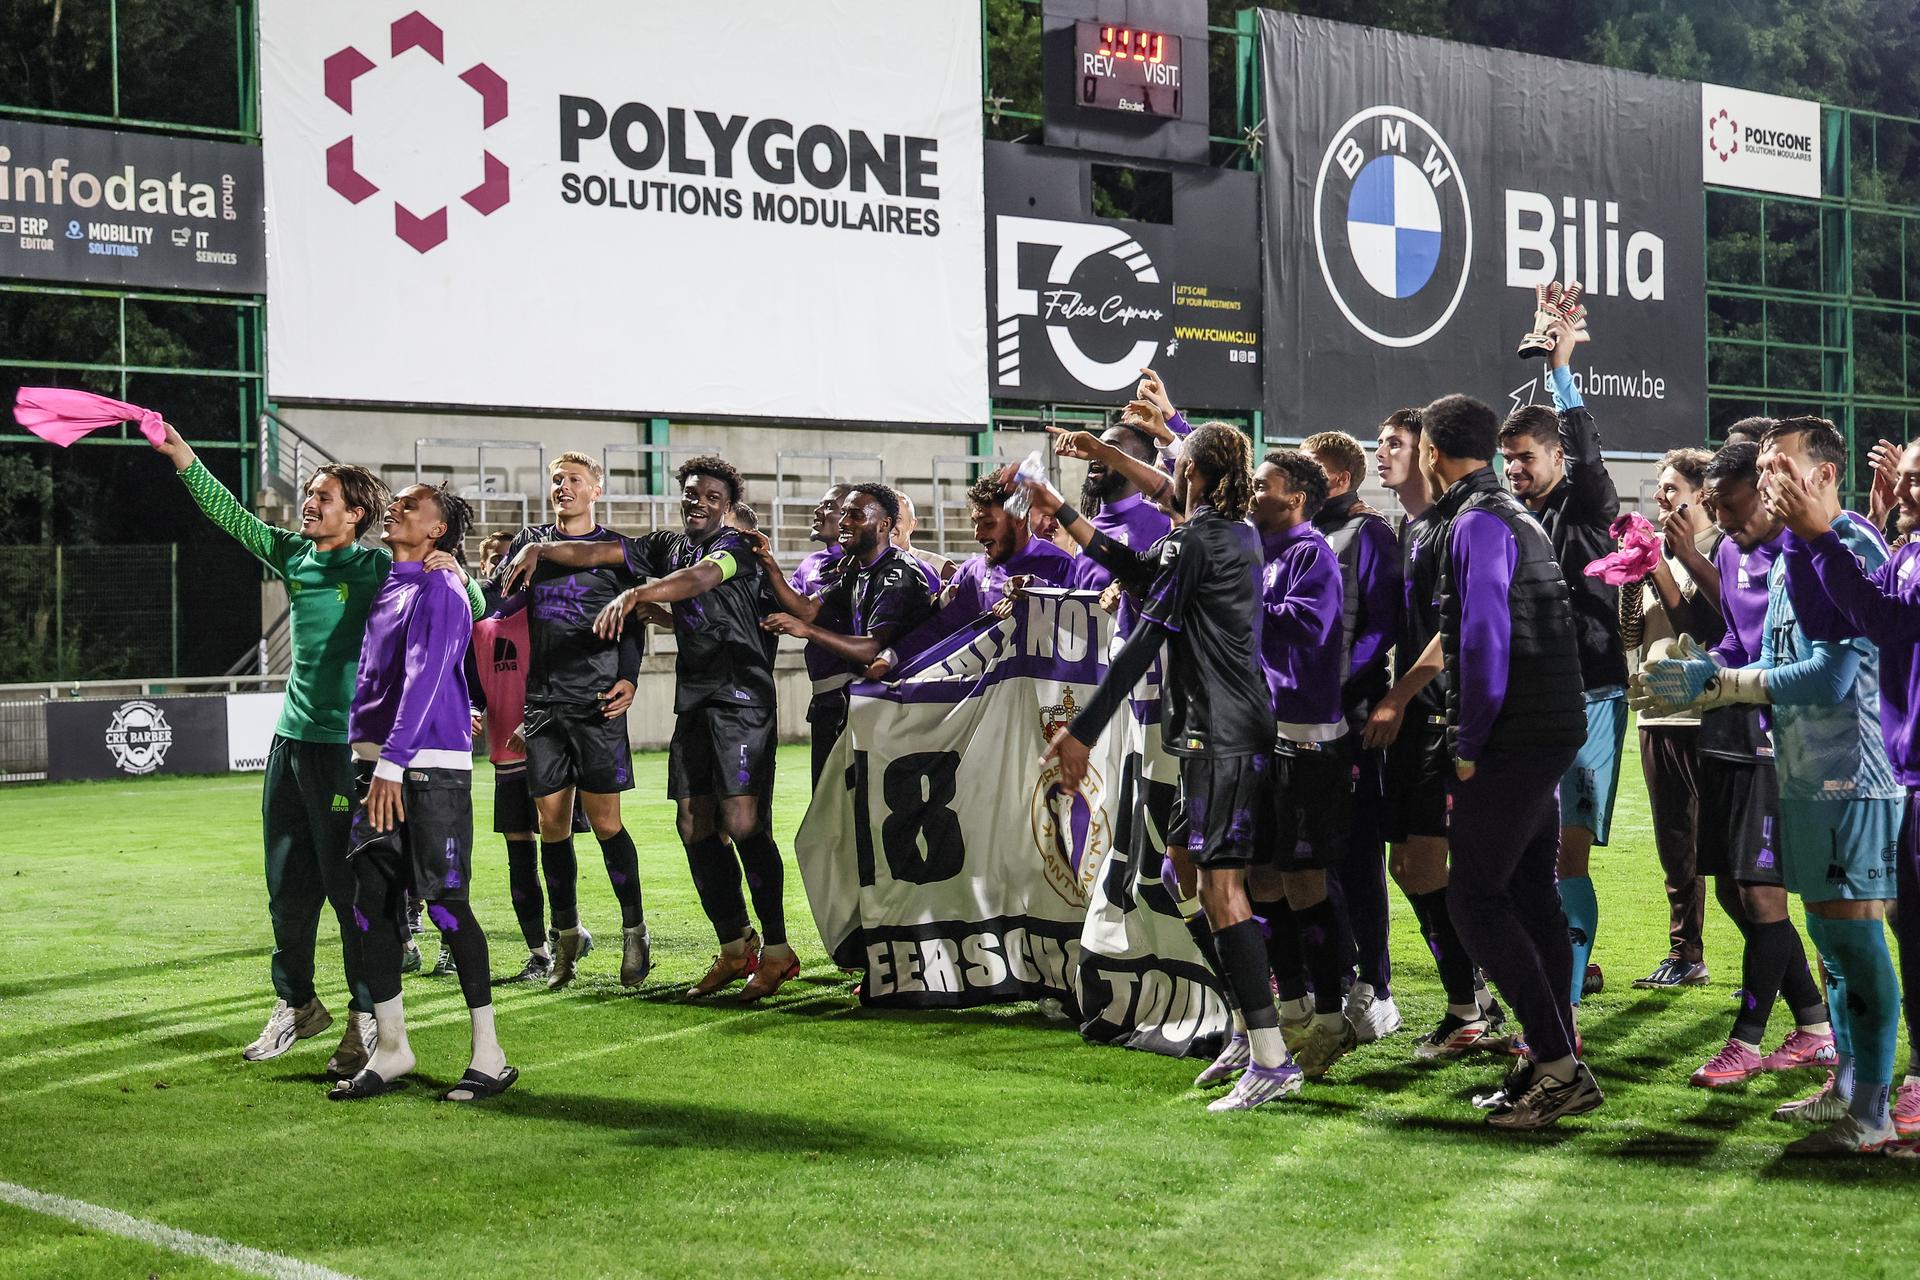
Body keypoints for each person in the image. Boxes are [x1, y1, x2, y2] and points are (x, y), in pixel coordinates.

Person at [148, 420, 482, 1079]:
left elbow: (464, 604)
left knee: (347, 889)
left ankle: (366, 1023)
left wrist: (460, 573)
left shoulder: (379, 565)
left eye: (322, 495)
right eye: (307, 492)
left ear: (356, 514)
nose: (308, 502)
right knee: (284, 885)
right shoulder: (293, 555)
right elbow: (231, 515)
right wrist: (183, 453)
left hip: (344, 750)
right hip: (290, 743)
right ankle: (296, 1002)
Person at [1031, 423, 1304, 1112]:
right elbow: (1139, 572)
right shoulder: (1230, 534)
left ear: (1198, 475)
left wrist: (1082, 732)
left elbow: (1147, 632)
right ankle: (1247, 1027)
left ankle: (1272, 1058)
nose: (1166, 471)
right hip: (1218, 727)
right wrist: (1065, 510)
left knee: (1222, 891)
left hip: (1222, 731)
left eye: (1176, 463)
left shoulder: (1198, 538)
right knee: (1179, 865)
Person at [516, 457, 791, 1000]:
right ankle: (737, 947)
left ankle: (779, 951)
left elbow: (701, 581)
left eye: (711, 495)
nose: (699, 502)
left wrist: (641, 595)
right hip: (695, 701)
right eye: (691, 493)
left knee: (742, 823)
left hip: (741, 700)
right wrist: (540, 548)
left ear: (728, 503)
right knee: (693, 824)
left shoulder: (734, 548)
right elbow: (602, 550)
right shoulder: (668, 544)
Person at [1420, 388, 1600, 1130]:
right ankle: (1548, 1056)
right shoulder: (1508, 510)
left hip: (1516, 732)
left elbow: (1486, 636)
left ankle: (1559, 1066)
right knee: (1530, 894)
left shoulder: (1476, 520)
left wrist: (1468, 740)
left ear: (1434, 453)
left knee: (1472, 899)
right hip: (1548, 723)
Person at [1634, 439, 1835, 1100]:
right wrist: (1699, 665)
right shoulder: (1730, 548)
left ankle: (1745, 1040)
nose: (1723, 517)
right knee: (1728, 889)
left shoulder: (1795, 553)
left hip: (1773, 736)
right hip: (1726, 727)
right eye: (1714, 506)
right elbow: (1735, 635)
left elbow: (1796, 653)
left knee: (1760, 892)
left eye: (1732, 504)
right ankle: (1814, 1024)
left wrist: (1724, 675)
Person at [329, 483, 513, 1102]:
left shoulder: (443, 586)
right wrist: (373, 761)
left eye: (411, 505)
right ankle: (391, 1048)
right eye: (395, 503)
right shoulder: (390, 580)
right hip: (375, 764)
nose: (395, 509)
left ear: (438, 529)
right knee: (371, 908)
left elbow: (428, 675)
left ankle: (490, 1054)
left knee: (445, 905)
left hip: (426, 766)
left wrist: (394, 765)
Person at [1775, 434, 1920, 1145]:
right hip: (1826, 772)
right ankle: (1855, 1088)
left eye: (1780, 467)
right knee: (1835, 936)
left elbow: (1850, 654)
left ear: (1821, 473)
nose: (1771, 480)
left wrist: (1729, 686)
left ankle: (1877, 1106)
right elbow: (1820, 628)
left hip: (1862, 774)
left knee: (1864, 939)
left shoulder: (1858, 542)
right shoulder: (1799, 544)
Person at [1365, 408, 1506, 1059]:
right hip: (1418, 720)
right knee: (1413, 865)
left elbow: (1455, 633)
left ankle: (1476, 1004)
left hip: (1447, 722)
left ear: (1428, 449)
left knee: (1448, 868)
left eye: (1394, 442)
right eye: (1378, 443)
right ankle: (1473, 997)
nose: (1382, 452)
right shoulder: (1411, 529)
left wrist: (1397, 696)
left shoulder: (1458, 523)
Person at [1499, 318, 1626, 1011]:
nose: (1516, 471)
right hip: (1534, 704)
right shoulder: (1518, 519)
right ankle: (1555, 970)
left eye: (1527, 458)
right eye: (1508, 460)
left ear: (1556, 456)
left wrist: (1561, 367)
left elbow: (1590, 454)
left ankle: (1564, 1006)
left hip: (1594, 699)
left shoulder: (1586, 504)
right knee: (1527, 856)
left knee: (1563, 858)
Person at [494, 451, 646, 991]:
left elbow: (635, 620)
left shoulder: (617, 550)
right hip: (543, 704)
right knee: (552, 828)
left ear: (595, 490)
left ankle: (634, 932)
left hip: (597, 703)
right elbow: (498, 605)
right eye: (557, 480)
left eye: (574, 480)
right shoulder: (527, 542)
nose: (563, 487)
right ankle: (565, 940)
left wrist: (629, 674)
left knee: (606, 824)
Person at [1244, 449, 1356, 1079]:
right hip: (1264, 732)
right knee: (1262, 877)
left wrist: (1238, 603)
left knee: (1304, 880)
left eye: (1263, 486)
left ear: (1296, 500)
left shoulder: (1312, 553)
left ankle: (1336, 1018)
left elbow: (1309, 628)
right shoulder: (1261, 551)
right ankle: (1291, 1008)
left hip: (1309, 737)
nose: (1252, 493)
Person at [1303, 429, 1403, 1042]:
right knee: (1313, 852)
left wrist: (1336, 681)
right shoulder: (1297, 537)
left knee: (1358, 852)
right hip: (1299, 715)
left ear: (1337, 480)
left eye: (1308, 471)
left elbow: (1382, 624)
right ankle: (1334, 973)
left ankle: (1377, 984)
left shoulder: (1370, 533)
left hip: (1351, 712)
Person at [752, 484, 933, 802]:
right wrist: (768, 562)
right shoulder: (857, 573)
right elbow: (807, 608)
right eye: (844, 513)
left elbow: (871, 647)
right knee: (830, 808)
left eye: (855, 515)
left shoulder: (896, 573)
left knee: (862, 811)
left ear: (884, 525)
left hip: (896, 713)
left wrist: (807, 632)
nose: (844, 522)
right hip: (859, 705)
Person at [468, 530, 594, 984]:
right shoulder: (478, 623)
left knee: (555, 848)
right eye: (496, 559)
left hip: (547, 746)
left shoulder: (544, 615)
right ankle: (540, 952)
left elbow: (563, 674)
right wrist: (472, 709)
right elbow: (473, 684)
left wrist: (536, 718)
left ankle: (568, 932)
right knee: (518, 855)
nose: (504, 566)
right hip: (503, 754)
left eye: (510, 558)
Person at [1628, 448, 1723, 989]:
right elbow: (1640, 633)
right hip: (1657, 712)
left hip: (1705, 714)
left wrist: (1663, 566)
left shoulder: (1718, 550)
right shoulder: (1658, 550)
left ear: (1701, 493)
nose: (1662, 497)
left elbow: (1702, 628)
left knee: (1716, 842)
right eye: (1659, 488)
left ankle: (1773, 956)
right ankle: (1685, 952)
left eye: (1671, 488)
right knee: (1673, 839)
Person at [793, 483, 853, 783]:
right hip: (825, 696)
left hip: (859, 695)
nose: (819, 511)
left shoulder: (877, 563)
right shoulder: (811, 565)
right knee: (824, 797)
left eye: (828, 506)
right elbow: (788, 606)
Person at [890, 489, 955, 591]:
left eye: (897, 518)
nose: (889, 525)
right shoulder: (860, 567)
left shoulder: (942, 567)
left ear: (912, 525)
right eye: (883, 518)